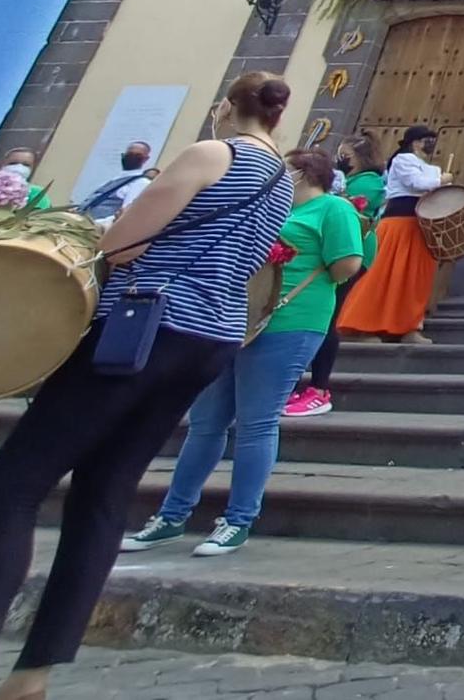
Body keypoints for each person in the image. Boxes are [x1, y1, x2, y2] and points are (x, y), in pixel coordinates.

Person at [0, 72, 294, 700]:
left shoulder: (212, 152)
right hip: (211, 339)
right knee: (104, 494)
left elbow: (120, 245)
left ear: (226, 106)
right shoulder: (282, 177)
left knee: (8, 490)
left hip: (143, 326)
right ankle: (35, 672)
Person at [123, 146, 364, 556]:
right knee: (205, 422)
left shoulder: (332, 210)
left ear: (304, 174)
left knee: (256, 421)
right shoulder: (268, 207)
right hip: (235, 319)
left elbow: (346, 266)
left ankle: (238, 519)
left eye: (284, 170)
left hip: (292, 321)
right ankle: (172, 514)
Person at [285, 133, 383, 417]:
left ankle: (318, 389)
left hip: (348, 251)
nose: (342, 159)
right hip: (330, 252)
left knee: (327, 317)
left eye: (346, 155)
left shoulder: (367, 183)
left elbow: (356, 208)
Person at [336, 126, 447, 345]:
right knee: (382, 276)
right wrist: (442, 180)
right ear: (414, 142)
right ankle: (363, 326)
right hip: (398, 223)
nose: (431, 144)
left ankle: (409, 327)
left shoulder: (432, 168)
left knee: (415, 280)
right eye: (427, 139)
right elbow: (418, 184)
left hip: (422, 226)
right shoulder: (403, 160)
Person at [75, 141, 154, 223]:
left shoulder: (141, 183)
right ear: (123, 155)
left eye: (138, 155)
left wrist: (98, 224)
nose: (132, 157)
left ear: (146, 159)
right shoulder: (114, 179)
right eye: (130, 154)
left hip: (96, 228)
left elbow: (125, 214)